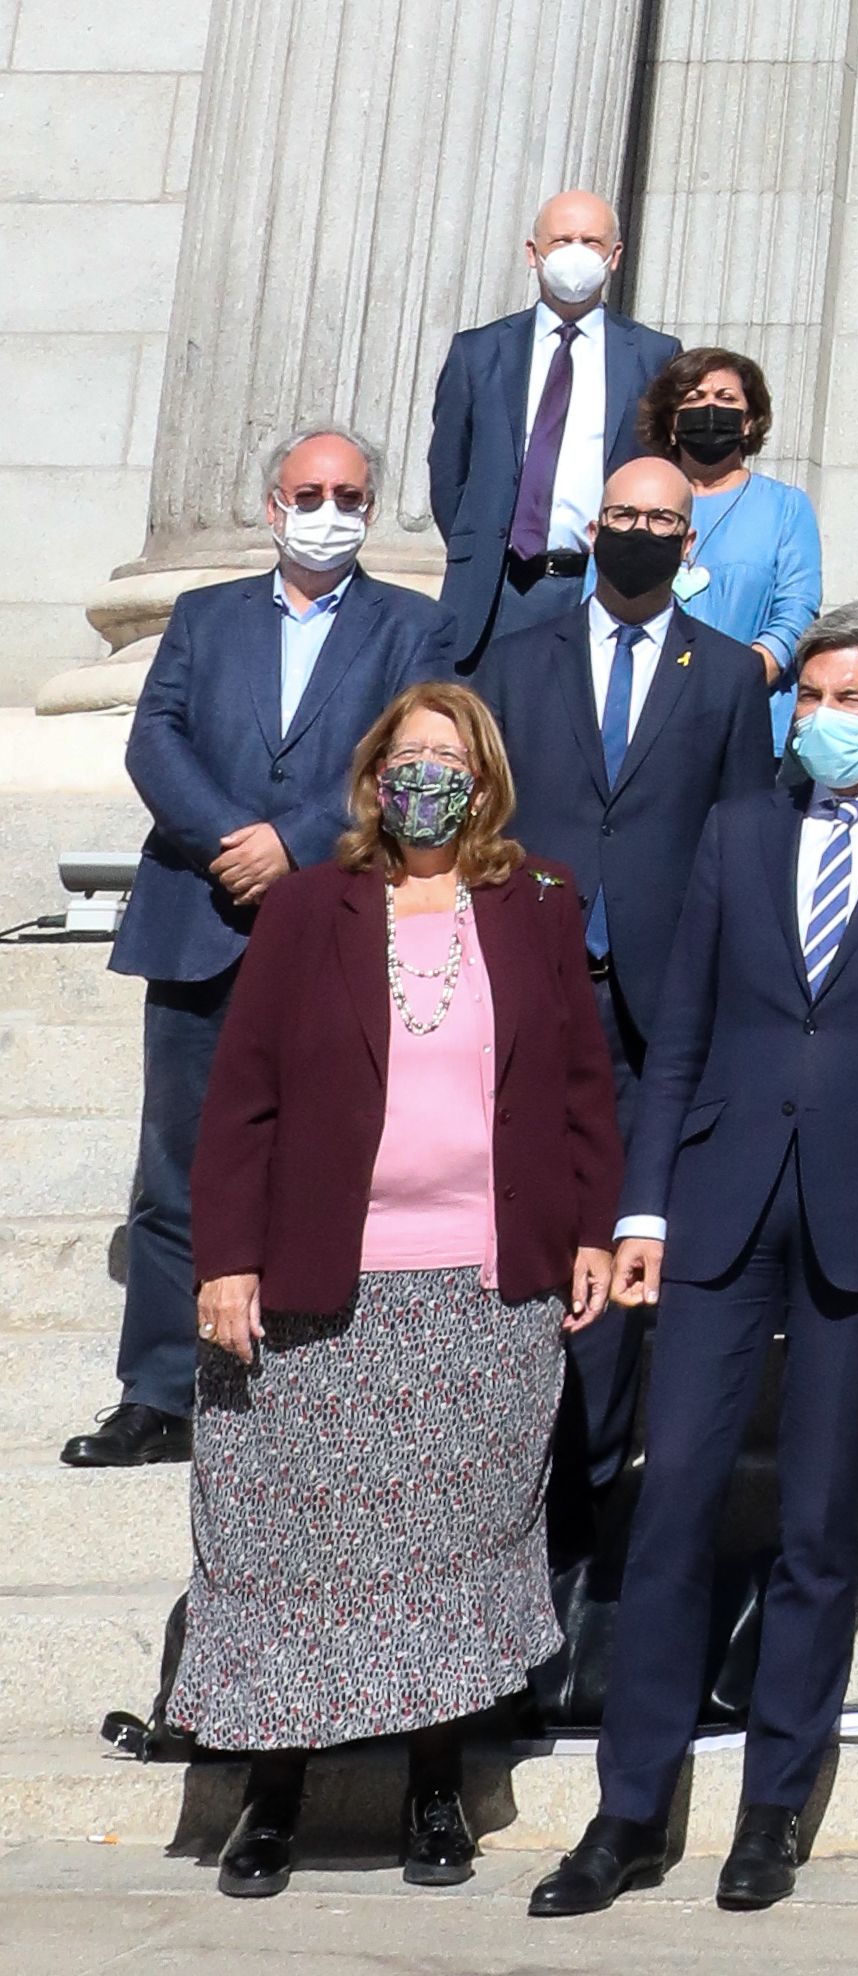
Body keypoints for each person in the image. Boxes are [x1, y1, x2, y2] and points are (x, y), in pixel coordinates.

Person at [528, 603, 858, 1919]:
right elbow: (676, 1030)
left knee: (812, 1525)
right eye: (809, 693)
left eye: (850, 695)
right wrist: (642, 1210)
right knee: (674, 1492)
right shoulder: (739, 833)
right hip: (719, 1202)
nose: (823, 715)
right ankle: (629, 1810)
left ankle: (773, 1811)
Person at [176, 672, 620, 1897]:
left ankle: (436, 1785)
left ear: (484, 779)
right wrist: (226, 1257)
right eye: (406, 758)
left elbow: (583, 1085)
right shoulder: (311, 908)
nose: (426, 777)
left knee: (446, 1548)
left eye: (451, 758)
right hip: (322, 1285)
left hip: (481, 1290)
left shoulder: (534, 902)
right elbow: (243, 1097)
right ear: (374, 777)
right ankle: (273, 1797)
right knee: (293, 1542)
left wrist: (588, 1225)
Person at [78, 427, 437, 1473]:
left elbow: (415, 754)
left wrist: (298, 841)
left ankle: (299, 1374)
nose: (329, 509)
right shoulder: (203, 616)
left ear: (373, 506)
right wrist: (232, 840)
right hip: (202, 916)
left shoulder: (412, 628)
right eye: (309, 492)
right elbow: (156, 737)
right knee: (174, 1168)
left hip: (336, 924)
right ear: (273, 504)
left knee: (325, 1155)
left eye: (350, 493)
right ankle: (158, 1389)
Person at [485, 442, 773, 1560]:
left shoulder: (726, 674)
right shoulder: (516, 660)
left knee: (631, 1253)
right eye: (620, 513)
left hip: (664, 1007)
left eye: (661, 516)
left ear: (688, 540)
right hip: (536, 991)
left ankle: (596, 1509)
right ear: (591, 528)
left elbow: (746, 834)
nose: (640, 530)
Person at [424, 192, 669, 659]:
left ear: (614, 257)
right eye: (561, 240)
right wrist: (480, 547)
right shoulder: (478, 353)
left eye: (591, 241)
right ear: (533, 253)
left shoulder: (654, 357)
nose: (575, 253)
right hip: (498, 592)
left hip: (600, 586)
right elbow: (449, 472)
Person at [650, 345, 820, 712]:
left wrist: (746, 678)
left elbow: (796, 609)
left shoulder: (785, 507)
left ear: (747, 422)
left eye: (726, 397)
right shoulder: (641, 501)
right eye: (694, 398)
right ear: (672, 425)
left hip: (752, 705)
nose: (710, 407)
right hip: (649, 707)